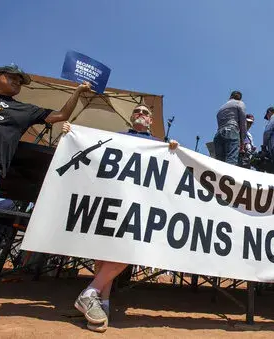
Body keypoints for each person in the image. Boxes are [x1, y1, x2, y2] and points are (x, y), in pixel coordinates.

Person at [0, 64, 91, 303]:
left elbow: (60, 116)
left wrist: (77, 92)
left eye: (20, 81)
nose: (17, 82)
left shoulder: (24, 110)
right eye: (12, 77)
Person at [64, 104, 179, 333]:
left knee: (128, 249)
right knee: (104, 251)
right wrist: (72, 133)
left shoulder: (158, 144)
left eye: (146, 113)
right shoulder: (115, 137)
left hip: (139, 202)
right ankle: (101, 301)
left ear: (151, 120)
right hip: (112, 196)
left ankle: (90, 292)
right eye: (137, 111)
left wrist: (173, 150)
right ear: (132, 117)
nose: (141, 114)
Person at [213, 90, 247, 165]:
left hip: (218, 134)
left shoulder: (221, 108)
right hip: (231, 131)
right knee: (231, 160)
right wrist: (242, 142)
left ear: (230, 96)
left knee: (220, 163)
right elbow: (243, 123)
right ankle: (228, 177)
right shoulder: (239, 103)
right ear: (240, 98)